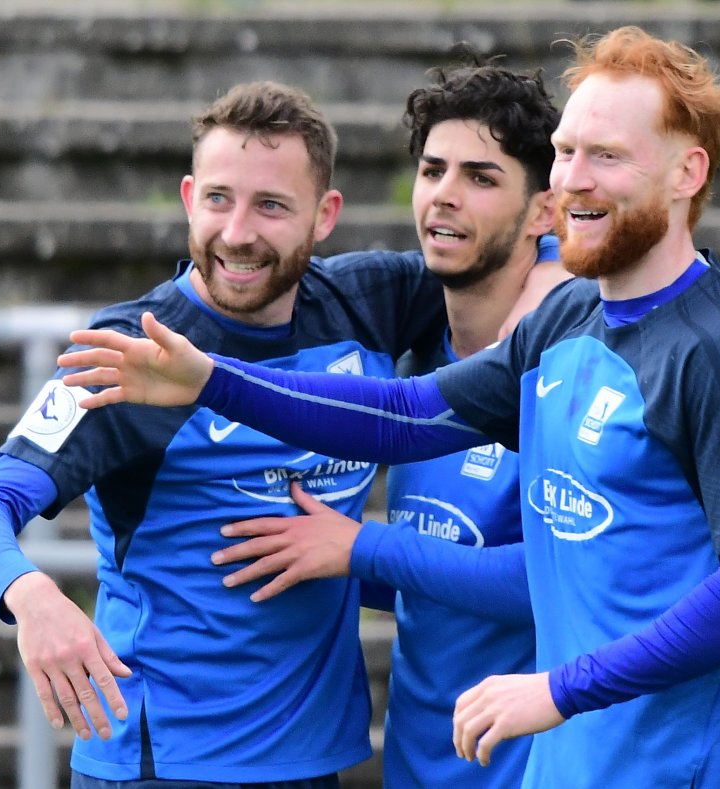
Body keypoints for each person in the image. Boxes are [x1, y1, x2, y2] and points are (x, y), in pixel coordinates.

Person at [59, 25, 720, 788]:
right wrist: (212, 380)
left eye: (608, 157)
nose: (575, 179)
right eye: (566, 151)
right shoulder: (568, 322)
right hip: (573, 766)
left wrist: (558, 686)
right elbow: (406, 413)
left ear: (688, 172)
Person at [0, 80, 564, 787]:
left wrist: (552, 279)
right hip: (164, 763)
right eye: (217, 199)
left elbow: (496, 252)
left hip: (314, 761)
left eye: (270, 205)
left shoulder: (369, 303)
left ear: (324, 215)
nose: (237, 232)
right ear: (186, 198)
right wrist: (31, 596)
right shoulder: (129, 352)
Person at [219, 63, 568, 788]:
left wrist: (362, 548)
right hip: (417, 767)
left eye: (481, 176)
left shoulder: (568, 366)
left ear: (543, 212)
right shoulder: (408, 356)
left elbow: (558, 580)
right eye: (433, 169)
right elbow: (437, 565)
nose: (444, 192)